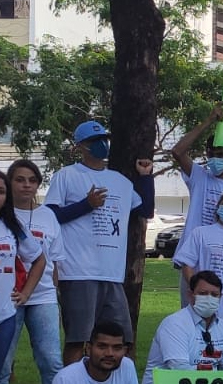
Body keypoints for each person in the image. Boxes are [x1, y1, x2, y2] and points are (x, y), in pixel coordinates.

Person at [44, 120, 154, 364]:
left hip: (112, 274)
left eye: (103, 139)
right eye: (94, 141)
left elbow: (145, 209)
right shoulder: (67, 176)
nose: (101, 145)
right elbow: (50, 216)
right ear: (80, 146)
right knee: (78, 339)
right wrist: (86, 205)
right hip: (78, 272)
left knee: (119, 339)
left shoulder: (120, 181)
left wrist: (146, 177)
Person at [169, 104, 223, 303]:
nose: (215, 159)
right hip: (195, 259)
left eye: (220, 154)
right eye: (211, 154)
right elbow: (178, 151)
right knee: (192, 313)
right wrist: (208, 121)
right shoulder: (200, 177)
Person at [3, 159, 64, 384]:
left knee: (51, 362)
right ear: (9, 183)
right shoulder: (4, 215)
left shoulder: (48, 215)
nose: (26, 185)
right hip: (8, 299)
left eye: (32, 180)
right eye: (19, 179)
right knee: (3, 365)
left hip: (43, 297)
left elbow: (54, 262)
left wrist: (58, 298)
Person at [140, 270, 223, 384]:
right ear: (190, 295)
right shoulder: (174, 324)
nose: (209, 298)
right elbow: (180, 370)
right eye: (203, 294)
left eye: (214, 295)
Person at [0, 168, 45, 384]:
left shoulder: (12, 227)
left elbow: (39, 259)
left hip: (4, 317)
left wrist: (26, 293)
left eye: (1, 191)